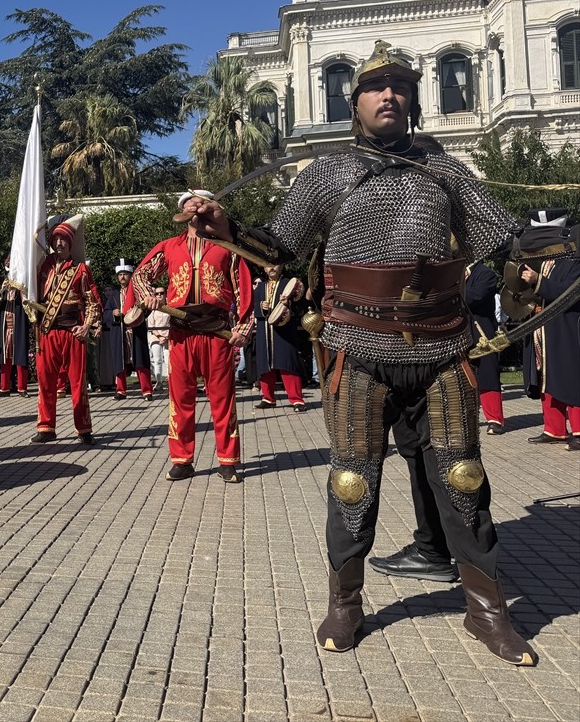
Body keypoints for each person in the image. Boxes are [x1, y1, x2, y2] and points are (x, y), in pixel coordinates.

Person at [183, 40, 535, 666]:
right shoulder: (326, 173)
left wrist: (544, 250)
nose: (389, 94)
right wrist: (229, 231)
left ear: (414, 100)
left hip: (441, 343)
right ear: (356, 104)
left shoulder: (446, 171)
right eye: (376, 87)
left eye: (400, 85)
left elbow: (505, 239)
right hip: (357, 344)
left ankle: (487, 611)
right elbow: (282, 247)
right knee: (352, 481)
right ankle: (345, 603)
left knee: (463, 477)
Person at [131, 193, 253, 482]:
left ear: (209, 210)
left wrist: (244, 327)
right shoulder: (169, 247)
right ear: (181, 211)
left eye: (200, 203)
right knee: (180, 399)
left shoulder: (227, 247)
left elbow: (243, 289)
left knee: (222, 399)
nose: (194, 207)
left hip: (216, 332)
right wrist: (148, 296)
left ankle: (227, 461)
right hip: (181, 333)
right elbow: (140, 275)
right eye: (189, 203)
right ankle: (182, 460)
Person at [32, 214, 102, 444]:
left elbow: (93, 302)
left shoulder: (81, 270)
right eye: (56, 239)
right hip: (47, 330)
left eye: (63, 239)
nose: (59, 243)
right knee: (45, 381)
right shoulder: (42, 266)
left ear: (70, 243)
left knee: (78, 383)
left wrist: (86, 326)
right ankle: (46, 427)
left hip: (73, 332)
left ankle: (83, 428)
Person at [519, 209, 579, 449]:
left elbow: (568, 293)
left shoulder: (575, 263)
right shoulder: (546, 263)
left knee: (570, 377)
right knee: (545, 376)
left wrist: (538, 281)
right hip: (543, 328)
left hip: (567, 329)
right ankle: (554, 428)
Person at [253, 264, 308, 411]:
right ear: (264, 268)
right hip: (264, 330)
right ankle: (267, 398)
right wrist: (261, 307)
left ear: (282, 267)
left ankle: (296, 400)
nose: (271, 268)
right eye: (268, 265)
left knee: (287, 363)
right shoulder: (260, 287)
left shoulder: (289, 284)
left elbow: (301, 306)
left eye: (274, 265)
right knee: (265, 365)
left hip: (284, 331)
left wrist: (288, 303)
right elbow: (253, 307)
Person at [102, 259, 155, 401]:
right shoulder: (113, 295)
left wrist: (138, 313)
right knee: (119, 361)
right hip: (119, 333)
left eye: (125, 274)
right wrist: (113, 313)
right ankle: (121, 391)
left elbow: (148, 309)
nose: (122, 277)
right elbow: (105, 314)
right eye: (120, 274)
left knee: (141, 361)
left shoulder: (138, 292)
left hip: (136, 331)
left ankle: (146, 391)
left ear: (131, 275)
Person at [464, 261, 505, 435]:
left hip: (481, 331)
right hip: (459, 331)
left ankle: (495, 419)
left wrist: (454, 290)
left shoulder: (486, 273)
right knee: (461, 376)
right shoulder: (452, 273)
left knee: (487, 374)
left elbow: (475, 297)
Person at [0, 270, 31, 397]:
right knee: (5, 358)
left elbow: (28, 304)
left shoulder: (21, 292)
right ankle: (4, 388)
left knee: (20, 357)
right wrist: (2, 289)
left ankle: (22, 388)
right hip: (5, 330)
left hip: (18, 328)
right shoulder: (2, 293)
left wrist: (21, 290)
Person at [146, 288, 171, 387]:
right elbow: (151, 325)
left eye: (162, 293)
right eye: (157, 293)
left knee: (169, 360)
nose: (159, 295)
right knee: (157, 360)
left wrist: (166, 336)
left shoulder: (169, 308)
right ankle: (159, 382)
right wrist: (159, 336)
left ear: (165, 294)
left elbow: (173, 323)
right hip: (155, 337)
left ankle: (171, 382)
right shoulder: (152, 309)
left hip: (168, 336)